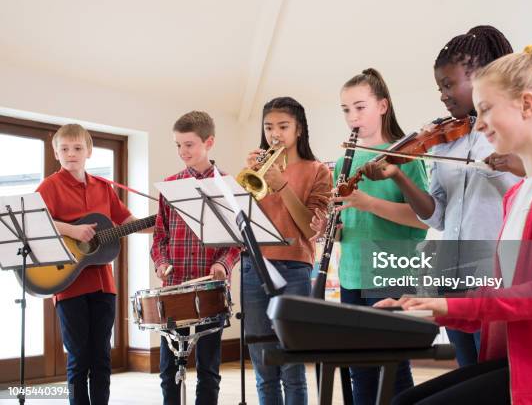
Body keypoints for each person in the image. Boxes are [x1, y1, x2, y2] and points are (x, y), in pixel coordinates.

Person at [377, 44, 532, 404]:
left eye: (486, 108)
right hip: (521, 360)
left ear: (528, 105)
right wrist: (424, 309)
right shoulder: (517, 195)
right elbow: (506, 302)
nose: (479, 122)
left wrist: (447, 306)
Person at [364, 26, 521, 367]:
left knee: (495, 372)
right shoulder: (446, 140)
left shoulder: (509, 131)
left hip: (494, 274)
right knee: (466, 370)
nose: (443, 95)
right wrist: (400, 176)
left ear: (480, 79)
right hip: (451, 273)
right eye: (440, 87)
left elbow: (531, 189)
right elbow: (436, 214)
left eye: (449, 85)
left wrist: (502, 165)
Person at [311, 68, 429, 405]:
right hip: (352, 272)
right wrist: (331, 227)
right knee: (359, 368)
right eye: (346, 110)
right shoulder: (343, 161)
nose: (352, 117)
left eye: (360, 107)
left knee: (392, 367)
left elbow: (423, 219)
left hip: (390, 271)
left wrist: (368, 203)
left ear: (382, 106)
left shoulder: (407, 154)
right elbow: (350, 220)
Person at [37, 123, 148, 405]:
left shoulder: (103, 187)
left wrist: (159, 224)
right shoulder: (50, 186)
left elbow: (126, 222)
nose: (71, 154)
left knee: (101, 357)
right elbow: (36, 224)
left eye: (77, 148)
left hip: (103, 284)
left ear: (89, 151)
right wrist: (72, 231)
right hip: (68, 285)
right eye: (64, 149)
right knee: (78, 357)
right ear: (56, 152)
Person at [242, 96, 332, 404]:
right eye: (269, 127)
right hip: (254, 267)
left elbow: (310, 228)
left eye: (283, 126)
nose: (275, 134)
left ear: (299, 130)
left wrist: (281, 185)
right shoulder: (256, 169)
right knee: (262, 363)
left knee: (292, 364)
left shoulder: (318, 170)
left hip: (294, 267)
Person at [150, 111, 240, 405]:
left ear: (208, 142)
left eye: (188, 144)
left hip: (210, 289)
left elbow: (237, 241)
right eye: (178, 145)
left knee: (209, 369)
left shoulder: (228, 185)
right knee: (168, 368)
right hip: (174, 288)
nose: (182, 152)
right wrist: (161, 262)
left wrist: (222, 264)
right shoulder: (169, 185)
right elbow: (159, 237)